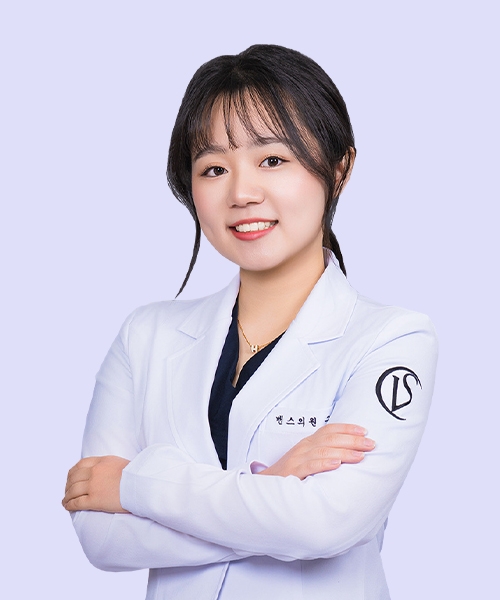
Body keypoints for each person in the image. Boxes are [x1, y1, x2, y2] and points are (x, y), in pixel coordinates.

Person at [62, 44, 438, 599]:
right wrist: (273, 484)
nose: (241, 193)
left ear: (340, 168)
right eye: (214, 168)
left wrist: (134, 484)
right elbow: (102, 537)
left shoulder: (392, 339)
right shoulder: (145, 336)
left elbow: (324, 524)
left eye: (272, 160)